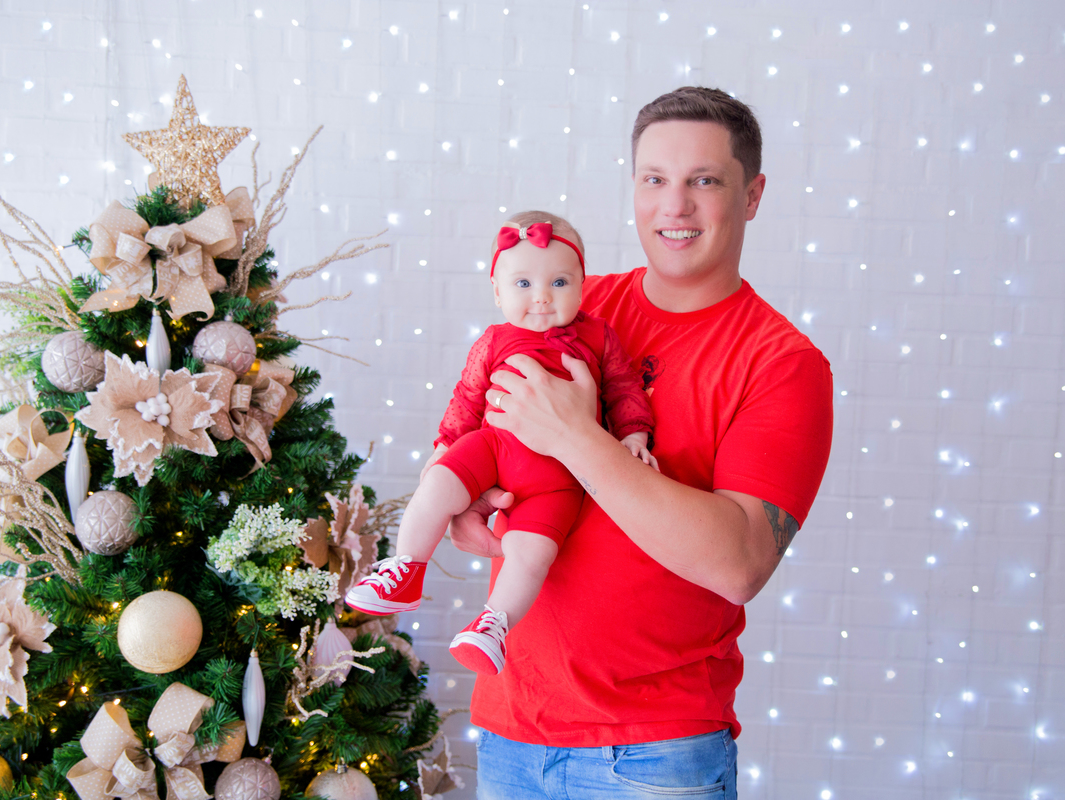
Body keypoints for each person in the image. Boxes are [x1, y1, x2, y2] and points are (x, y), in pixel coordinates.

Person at [449, 87, 834, 798]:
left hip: (654, 756)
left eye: (705, 181)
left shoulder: (782, 364)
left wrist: (577, 437)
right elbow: (483, 420)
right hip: (512, 732)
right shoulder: (575, 299)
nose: (674, 206)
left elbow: (741, 562)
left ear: (752, 196)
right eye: (655, 179)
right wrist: (466, 498)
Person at [346, 211, 655, 676]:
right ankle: (406, 569)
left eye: (559, 282)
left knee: (533, 554)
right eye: (523, 284)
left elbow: (625, 387)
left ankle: (494, 625)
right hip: (492, 449)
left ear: (581, 286)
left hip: (560, 477)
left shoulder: (598, 336)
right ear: (497, 291)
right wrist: (446, 443)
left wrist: (634, 434)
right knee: (436, 486)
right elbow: (467, 398)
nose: (542, 298)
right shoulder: (493, 341)